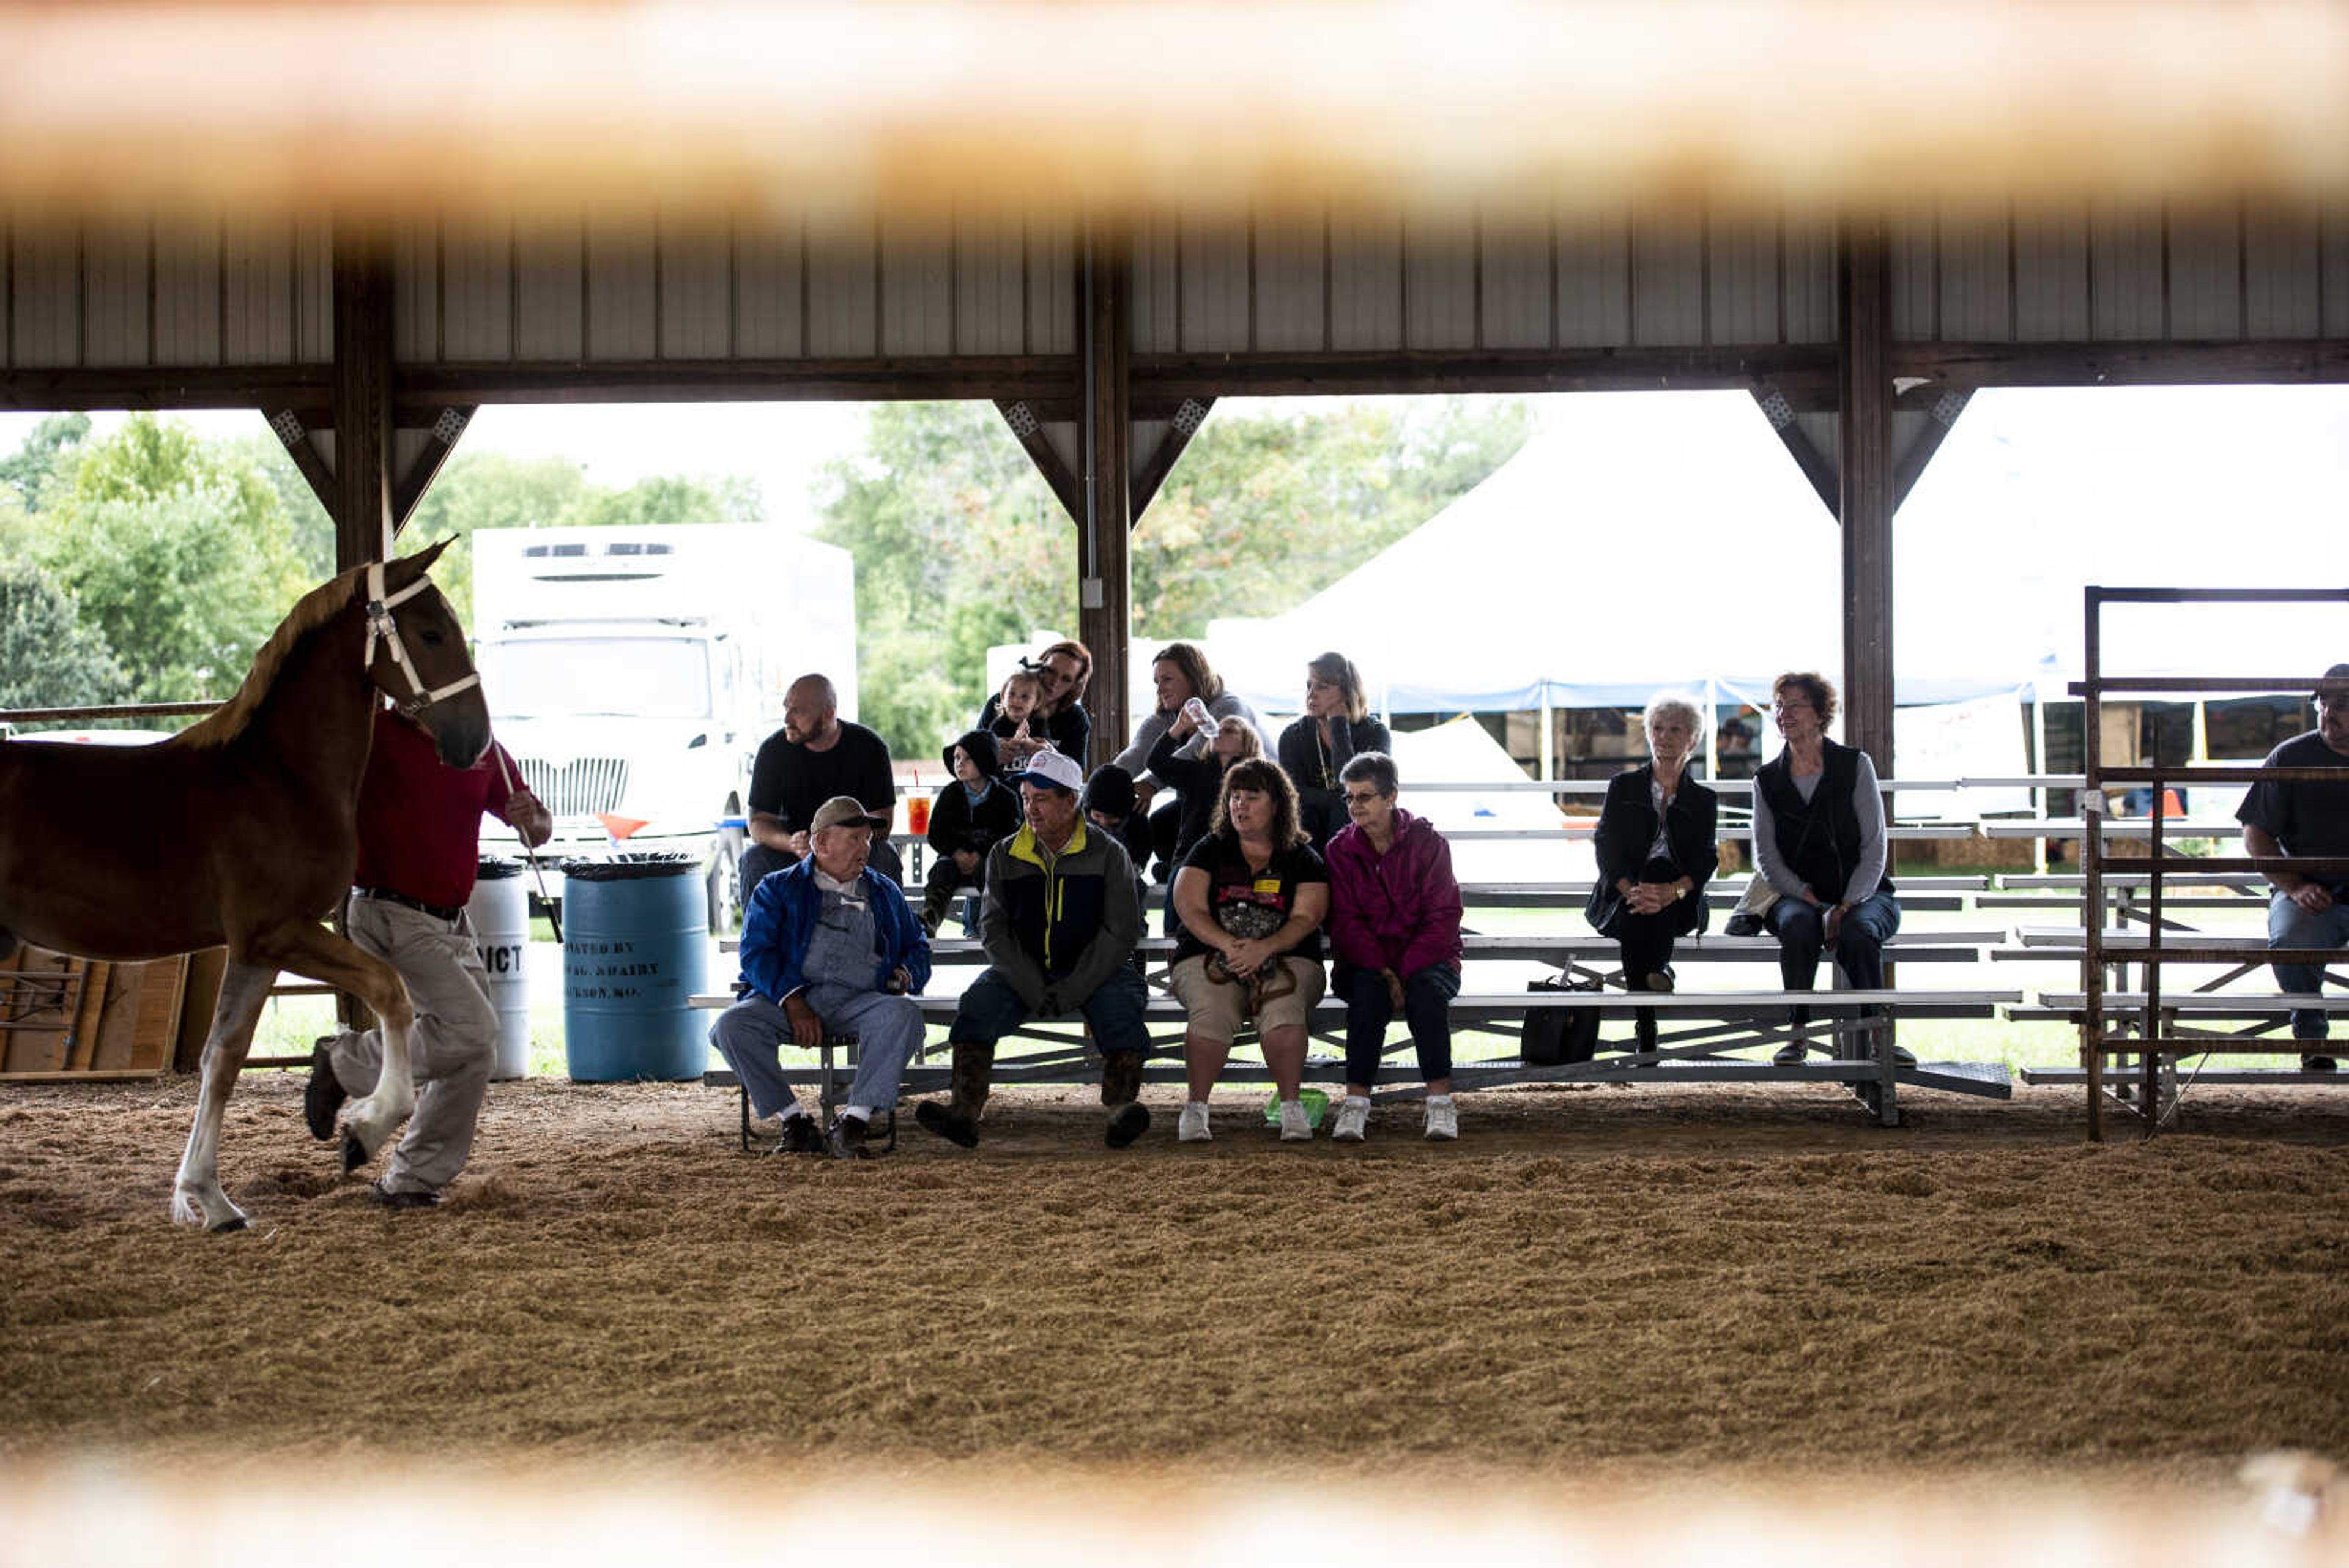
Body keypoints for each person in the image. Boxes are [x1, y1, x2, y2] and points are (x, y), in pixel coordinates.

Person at [304, 702, 552, 1208]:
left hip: (453, 920)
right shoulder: (373, 729)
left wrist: (535, 817)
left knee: (474, 1050)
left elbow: (536, 829)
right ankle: (343, 1063)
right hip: (388, 912)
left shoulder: (479, 743)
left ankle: (411, 1177)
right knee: (472, 1031)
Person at [916, 748, 1153, 1150]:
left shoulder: (1109, 853)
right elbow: (993, 928)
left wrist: (1077, 985)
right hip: (1021, 968)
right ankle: (964, 1111)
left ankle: (1120, 1110)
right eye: (1026, 797)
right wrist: (1027, 981)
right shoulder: (1004, 853)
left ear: (1070, 800)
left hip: (1096, 967)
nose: (1031, 808)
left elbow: (1120, 930)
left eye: (1041, 798)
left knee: (1124, 1009)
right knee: (976, 1005)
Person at [709, 797, 932, 1159]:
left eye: (868, 840)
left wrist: (907, 973)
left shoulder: (883, 890)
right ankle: (795, 1123)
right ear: (821, 843)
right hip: (789, 1001)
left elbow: (917, 946)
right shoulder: (777, 888)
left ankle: (854, 1124)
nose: (866, 849)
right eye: (855, 839)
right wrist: (794, 1001)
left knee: (903, 1016)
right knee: (731, 1027)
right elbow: (755, 953)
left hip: (858, 1001)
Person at [1170, 758, 1330, 1143]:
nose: (1239, 806)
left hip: (1288, 957)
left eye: (1251, 797)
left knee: (1283, 1003)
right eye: (1234, 797)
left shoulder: (1303, 857)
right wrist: (1231, 946)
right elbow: (1189, 907)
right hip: (1209, 955)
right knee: (1213, 1007)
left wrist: (1267, 948)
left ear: (1277, 804)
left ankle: (1292, 1108)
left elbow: (1308, 916)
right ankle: (1196, 1109)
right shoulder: (1208, 850)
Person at [1750, 672, 1904, 1067]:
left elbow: (1875, 846)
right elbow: (1766, 856)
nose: (1784, 713)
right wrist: (1810, 900)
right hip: (1797, 895)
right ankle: (1798, 1035)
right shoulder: (1767, 779)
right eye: (1779, 705)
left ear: (1820, 713)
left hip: (1864, 892)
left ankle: (1879, 1036)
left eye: (1796, 704)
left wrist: (1846, 904)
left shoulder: (1854, 765)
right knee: (1798, 925)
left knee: (1858, 930)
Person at [1323, 751, 1464, 1142]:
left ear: (1391, 797)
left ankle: (1439, 1103)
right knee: (1368, 995)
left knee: (1426, 992)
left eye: (1364, 797)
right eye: (1349, 798)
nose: (1355, 807)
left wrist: (1402, 972)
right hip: (1366, 960)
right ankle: (1355, 1104)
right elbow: (1346, 921)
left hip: (1430, 957)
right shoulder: (1339, 850)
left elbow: (1443, 916)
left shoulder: (1429, 843)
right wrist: (1385, 971)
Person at [1586, 693, 1719, 1053]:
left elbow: (1707, 859)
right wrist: (1631, 889)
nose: (1665, 736)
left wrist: (1673, 890)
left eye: (1676, 729)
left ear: (1692, 739)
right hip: (1624, 895)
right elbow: (1606, 845)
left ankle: (1646, 1025)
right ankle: (1660, 974)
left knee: (1659, 878)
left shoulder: (1703, 800)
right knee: (1638, 911)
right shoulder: (1623, 787)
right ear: (1649, 734)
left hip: (1678, 899)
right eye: (1658, 728)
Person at [2236, 662, 2349, 1071]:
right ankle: (2313, 1037)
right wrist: (2294, 885)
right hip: (2310, 888)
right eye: (2324, 702)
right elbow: (2257, 833)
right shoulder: (2290, 756)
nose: (2329, 712)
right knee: (2292, 940)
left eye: (2342, 703)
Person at [743, 674, 900, 890]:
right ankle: (762, 925)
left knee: (885, 855)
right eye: (787, 709)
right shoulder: (773, 750)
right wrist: (791, 843)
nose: (787, 719)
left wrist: (839, 845)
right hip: (796, 851)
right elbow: (758, 823)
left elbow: (884, 822)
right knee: (754, 858)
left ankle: (891, 924)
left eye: (798, 711)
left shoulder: (869, 748)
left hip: (853, 849)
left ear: (828, 714)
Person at [1111, 641, 1271, 819]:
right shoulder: (1168, 714)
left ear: (1193, 678)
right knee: (1159, 822)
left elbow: (1196, 749)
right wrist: (1107, 785)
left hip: (1254, 800)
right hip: (1205, 796)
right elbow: (1135, 753)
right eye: (1157, 682)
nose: (1159, 690)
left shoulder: (1228, 707)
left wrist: (1151, 785)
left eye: (1167, 680)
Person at [1277, 652, 1392, 849]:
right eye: (1309, 686)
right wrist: (1337, 798)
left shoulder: (1374, 733)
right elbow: (1293, 792)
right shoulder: (1293, 736)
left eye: (1322, 687)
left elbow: (1359, 789)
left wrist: (1339, 726)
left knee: (1348, 807)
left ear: (1347, 693)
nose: (1311, 694)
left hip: (1361, 824)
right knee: (1312, 811)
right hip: (1311, 825)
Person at [920, 730, 1022, 937]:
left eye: (967, 758)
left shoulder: (1006, 798)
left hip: (988, 860)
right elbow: (936, 833)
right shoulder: (950, 794)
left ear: (984, 761)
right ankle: (931, 918)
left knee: (993, 872)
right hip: (953, 859)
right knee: (941, 871)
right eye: (957, 758)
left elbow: (1010, 835)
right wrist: (957, 852)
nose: (959, 763)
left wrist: (980, 854)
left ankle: (993, 922)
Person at [1149, 711, 1266, 871]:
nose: (1218, 731)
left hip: (1237, 860)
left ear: (1247, 744)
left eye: (1229, 730)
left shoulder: (1258, 778)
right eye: (1218, 728)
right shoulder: (1197, 771)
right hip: (1190, 860)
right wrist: (1179, 726)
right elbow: (1155, 762)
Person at [978, 638, 1093, 765]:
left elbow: (1077, 775)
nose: (1054, 682)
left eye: (1066, 679)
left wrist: (1053, 757)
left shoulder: (1075, 718)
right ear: (1040, 666)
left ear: (1074, 686)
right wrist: (988, 754)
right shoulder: (1001, 702)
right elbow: (966, 756)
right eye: (1051, 671)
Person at [985, 668, 1050, 768]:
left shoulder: (1039, 724)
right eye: (1011, 694)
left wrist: (1031, 744)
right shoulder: (997, 725)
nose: (1017, 700)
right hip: (1003, 780)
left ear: (1037, 702)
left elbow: (1047, 751)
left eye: (1025, 697)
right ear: (1003, 697)